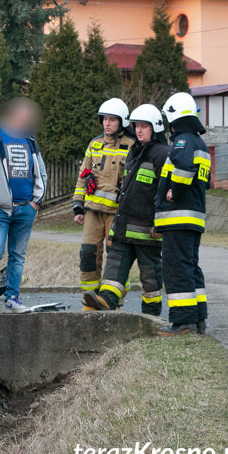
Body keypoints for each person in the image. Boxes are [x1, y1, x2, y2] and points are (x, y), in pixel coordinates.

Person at [82, 104, 169, 315]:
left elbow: (165, 192)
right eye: (137, 126)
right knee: (114, 265)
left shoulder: (162, 154)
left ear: (155, 127)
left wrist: (160, 222)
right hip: (123, 225)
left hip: (147, 230)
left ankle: (151, 314)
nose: (139, 130)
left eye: (144, 126)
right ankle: (107, 300)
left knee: (150, 276)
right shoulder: (134, 152)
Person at [0, 97, 47, 315]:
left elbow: (41, 172)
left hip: (26, 209)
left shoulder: (30, 140)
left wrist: (35, 201)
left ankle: (12, 298)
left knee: (18, 255)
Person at [155, 92, 211, 336]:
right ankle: (197, 319)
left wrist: (173, 192)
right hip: (193, 216)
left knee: (176, 267)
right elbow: (204, 182)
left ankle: (182, 323)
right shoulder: (199, 142)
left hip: (178, 216)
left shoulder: (183, 141)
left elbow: (184, 169)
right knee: (190, 265)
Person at [72, 98, 135, 308]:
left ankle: (114, 300)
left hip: (117, 213)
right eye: (105, 119)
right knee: (88, 255)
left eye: (112, 120)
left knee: (115, 259)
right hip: (92, 212)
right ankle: (89, 300)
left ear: (122, 122)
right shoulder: (95, 144)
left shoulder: (131, 146)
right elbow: (84, 175)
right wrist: (78, 205)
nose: (107, 124)